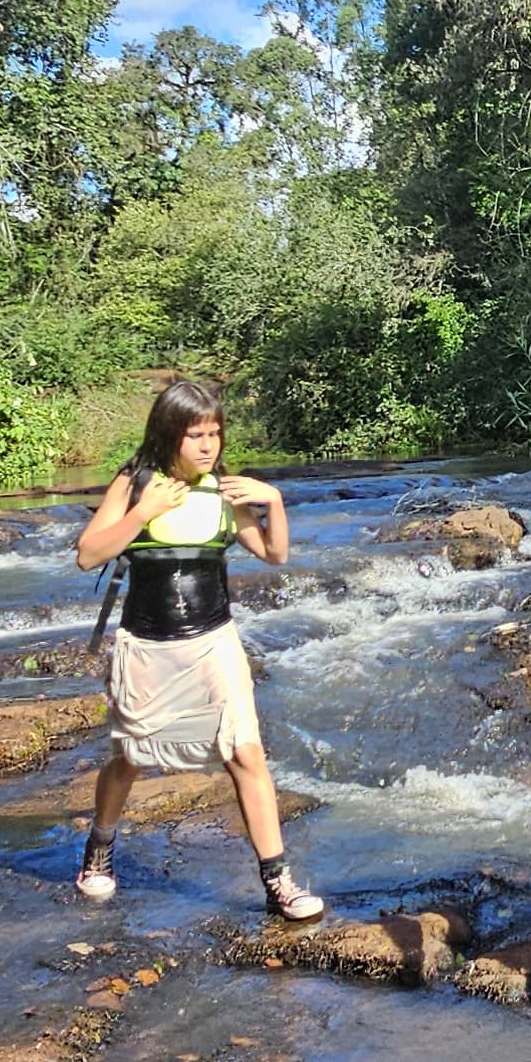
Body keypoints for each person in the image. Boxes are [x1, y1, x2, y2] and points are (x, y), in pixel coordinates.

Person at [71, 377, 324, 919]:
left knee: (245, 752)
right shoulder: (136, 483)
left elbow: (274, 553)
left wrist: (273, 500)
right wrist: (142, 512)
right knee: (129, 756)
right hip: (146, 644)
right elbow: (87, 555)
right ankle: (99, 850)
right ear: (169, 435)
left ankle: (278, 881)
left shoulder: (225, 492)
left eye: (214, 433)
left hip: (214, 641)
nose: (208, 445)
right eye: (195, 435)